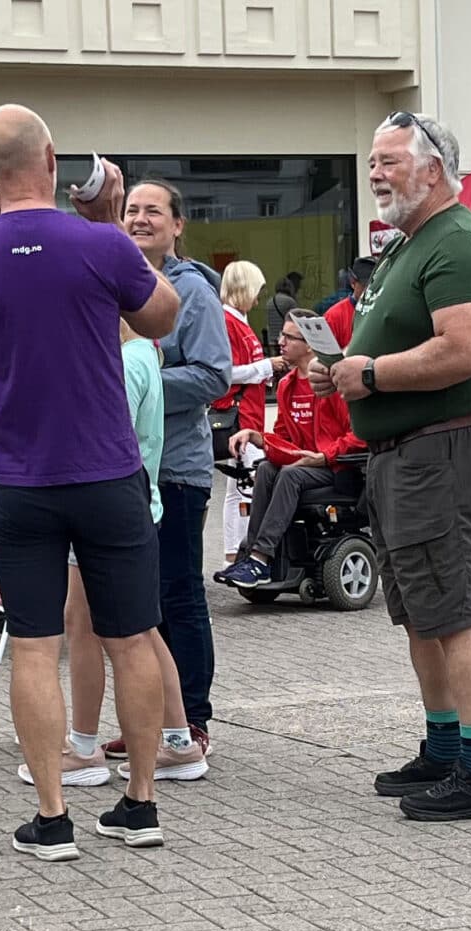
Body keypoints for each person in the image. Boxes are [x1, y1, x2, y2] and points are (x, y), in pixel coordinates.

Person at [0, 106, 180, 861]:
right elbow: (161, 316)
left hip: (19, 477)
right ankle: (138, 803)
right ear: (52, 157)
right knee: (129, 638)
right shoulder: (101, 242)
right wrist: (109, 232)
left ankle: (53, 816)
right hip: (107, 470)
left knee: (34, 648)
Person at [319, 112, 471, 823]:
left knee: (454, 610)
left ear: (432, 169)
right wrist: (343, 373)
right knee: (422, 613)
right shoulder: (411, 243)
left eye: (389, 160)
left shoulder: (458, 240)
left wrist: (367, 374)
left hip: (441, 449)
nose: (375, 172)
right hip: (407, 453)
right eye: (372, 160)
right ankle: (445, 748)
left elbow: (462, 350)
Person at [60, 319, 209, 785]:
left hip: (104, 508)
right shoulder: (143, 353)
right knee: (139, 630)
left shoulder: (124, 362)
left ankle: (84, 747)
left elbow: (100, 439)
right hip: (132, 506)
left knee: (86, 626)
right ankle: (178, 740)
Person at [121, 181, 232, 774]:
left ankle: (191, 719)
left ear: (178, 225)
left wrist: (135, 385)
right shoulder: (109, 281)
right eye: (132, 210)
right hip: (117, 469)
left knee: (178, 593)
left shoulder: (193, 292)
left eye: (152, 212)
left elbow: (215, 375)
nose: (140, 220)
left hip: (178, 470)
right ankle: (147, 720)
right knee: (135, 605)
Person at [218, 313, 364, 587]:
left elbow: (359, 434)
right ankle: (251, 557)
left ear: (309, 344)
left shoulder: (330, 384)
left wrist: (324, 456)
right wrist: (256, 437)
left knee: (288, 475)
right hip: (304, 465)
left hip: (335, 466)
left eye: (288, 337)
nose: (280, 342)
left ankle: (260, 558)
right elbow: (284, 441)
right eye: (282, 336)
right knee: (265, 467)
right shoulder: (286, 386)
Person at [214, 261, 273, 561]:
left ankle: (234, 550)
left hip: (249, 416)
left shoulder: (239, 321)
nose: (258, 299)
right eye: (256, 291)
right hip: (242, 418)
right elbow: (227, 373)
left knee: (239, 486)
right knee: (247, 484)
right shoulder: (229, 323)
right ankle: (241, 551)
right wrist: (266, 367)